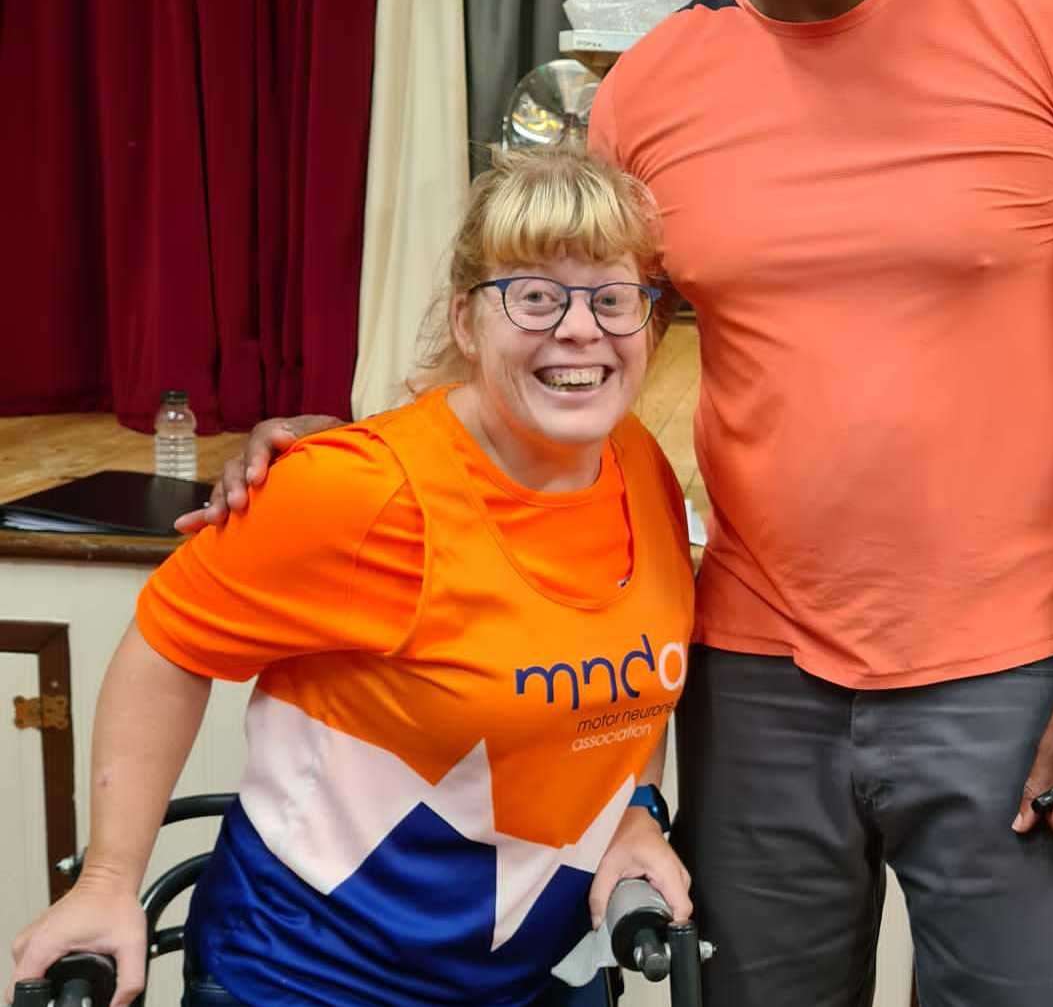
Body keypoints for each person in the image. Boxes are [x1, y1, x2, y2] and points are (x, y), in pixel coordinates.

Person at [179, 0, 1053, 1007]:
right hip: (753, 677)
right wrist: (363, 450)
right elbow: (563, 355)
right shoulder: (650, 93)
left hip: (1012, 675)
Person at [9, 149, 696, 1007]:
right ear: (465, 319)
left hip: (531, 977)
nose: (580, 328)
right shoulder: (358, 491)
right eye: (535, 294)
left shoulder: (642, 468)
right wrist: (109, 876)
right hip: (313, 978)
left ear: (650, 322)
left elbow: (630, 697)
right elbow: (167, 643)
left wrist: (639, 811)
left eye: (612, 297)